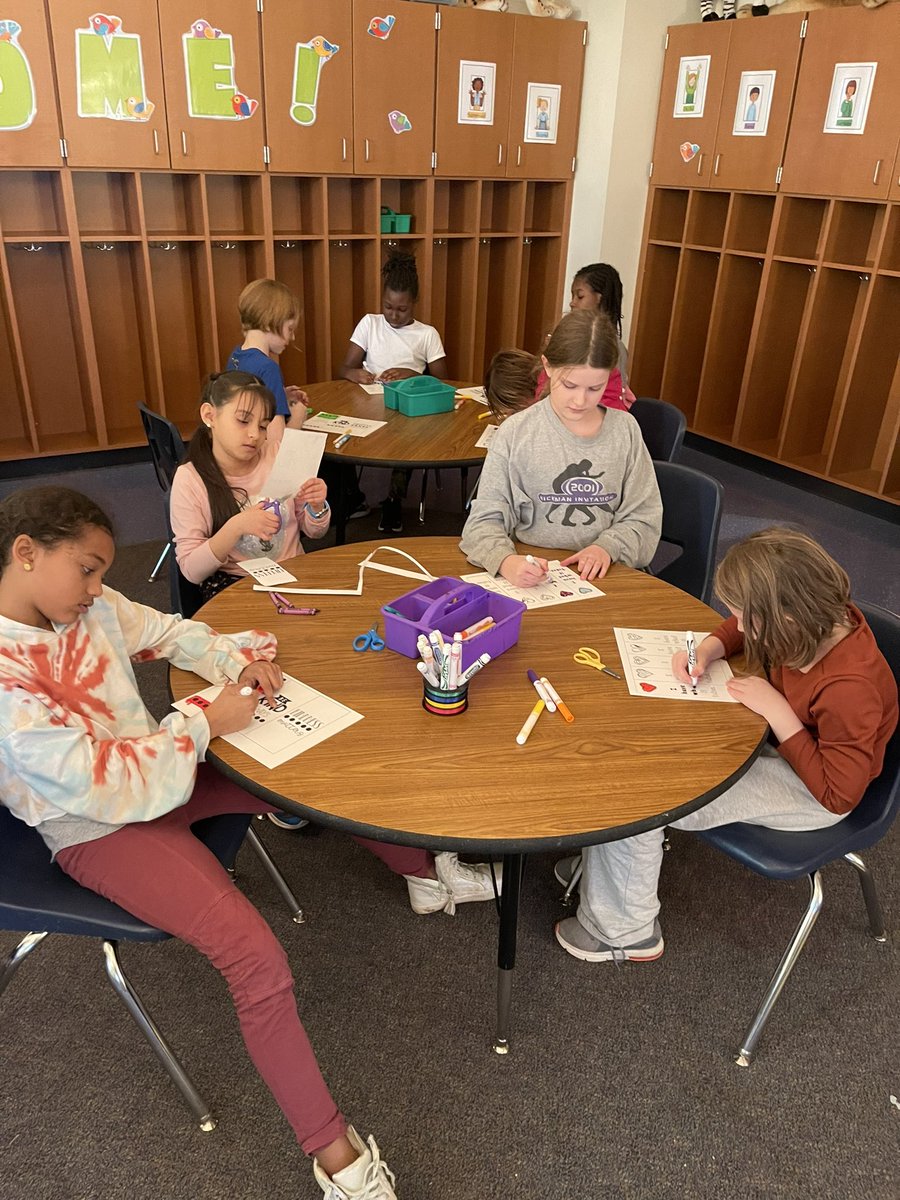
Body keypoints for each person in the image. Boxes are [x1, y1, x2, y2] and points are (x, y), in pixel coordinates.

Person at [0, 486, 399, 1199]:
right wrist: (206, 725)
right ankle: (335, 1157)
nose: (99, 587)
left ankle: (429, 870)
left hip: (161, 772)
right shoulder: (7, 681)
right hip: (97, 825)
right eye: (88, 569)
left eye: (101, 571)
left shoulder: (81, 605)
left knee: (323, 780)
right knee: (255, 958)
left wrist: (230, 665)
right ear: (25, 553)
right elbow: (106, 785)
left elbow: (166, 630)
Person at [554, 528, 899, 963]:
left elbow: (838, 794)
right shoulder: (809, 618)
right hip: (785, 744)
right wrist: (711, 647)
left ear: (781, 620)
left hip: (816, 789)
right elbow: (743, 625)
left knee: (646, 795)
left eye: (746, 617)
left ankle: (624, 931)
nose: (740, 624)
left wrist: (778, 712)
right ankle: (610, 868)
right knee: (644, 748)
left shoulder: (849, 687)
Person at [460, 309, 662, 588]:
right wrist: (505, 560)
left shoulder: (625, 430)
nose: (580, 400)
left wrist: (608, 546)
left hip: (608, 572)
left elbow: (644, 518)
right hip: (531, 570)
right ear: (548, 366)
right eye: (569, 385)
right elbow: (483, 521)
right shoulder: (516, 433)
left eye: (595, 388)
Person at [170, 371, 329, 604]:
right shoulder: (190, 479)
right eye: (243, 421)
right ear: (209, 415)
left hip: (296, 576)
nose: (255, 435)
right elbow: (192, 570)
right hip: (239, 587)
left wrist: (317, 507)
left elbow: (315, 532)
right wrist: (235, 527)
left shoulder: (278, 455)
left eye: (263, 426)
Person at [340, 251, 449, 534]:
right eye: (388, 307)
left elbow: (443, 382)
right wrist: (355, 373)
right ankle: (352, 497)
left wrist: (413, 374)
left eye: (402, 309)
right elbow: (344, 368)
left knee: (407, 441)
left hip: (407, 410)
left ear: (415, 303)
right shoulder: (370, 323)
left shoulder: (427, 334)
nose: (394, 315)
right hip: (368, 403)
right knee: (339, 438)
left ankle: (393, 500)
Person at [226, 278, 309, 427]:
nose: (292, 337)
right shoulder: (268, 368)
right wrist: (298, 416)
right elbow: (276, 444)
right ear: (269, 322)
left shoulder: (236, 356)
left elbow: (250, 405)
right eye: (290, 329)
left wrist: (281, 396)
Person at [567, 262, 635, 412]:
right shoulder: (573, 338)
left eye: (580, 296)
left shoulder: (614, 348)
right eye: (572, 296)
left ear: (599, 298)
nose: (572, 303)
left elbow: (612, 400)